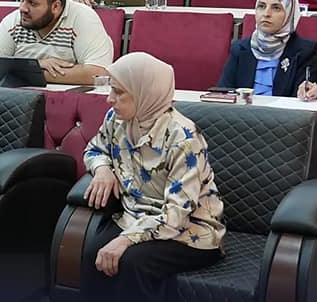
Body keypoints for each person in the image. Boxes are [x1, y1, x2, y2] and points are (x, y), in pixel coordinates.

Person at [80, 52, 225, 300]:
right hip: (134, 217)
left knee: (131, 263)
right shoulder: (117, 119)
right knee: (92, 252)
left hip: (188, 231)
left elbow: (177, 213)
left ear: (144, 93)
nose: (109, 99)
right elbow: (95, 149)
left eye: (119, 92)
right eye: (111, 89)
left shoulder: (183, 138)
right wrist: (102, 169)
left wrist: (126, 239)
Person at [0, 0, 113, 84]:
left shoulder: (83, 18)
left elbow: (98, 73)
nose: (23, 8)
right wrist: (37, 65)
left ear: (56, 7)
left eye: (32, 3)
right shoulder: (15, 19)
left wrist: (24, 72)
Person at [218, 0, 317, 95]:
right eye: (261, 6)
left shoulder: (304, 52)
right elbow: (224, 93)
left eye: (276, 8)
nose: (266, 14)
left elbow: (302, 98)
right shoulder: (239, 49)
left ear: (290, 14)